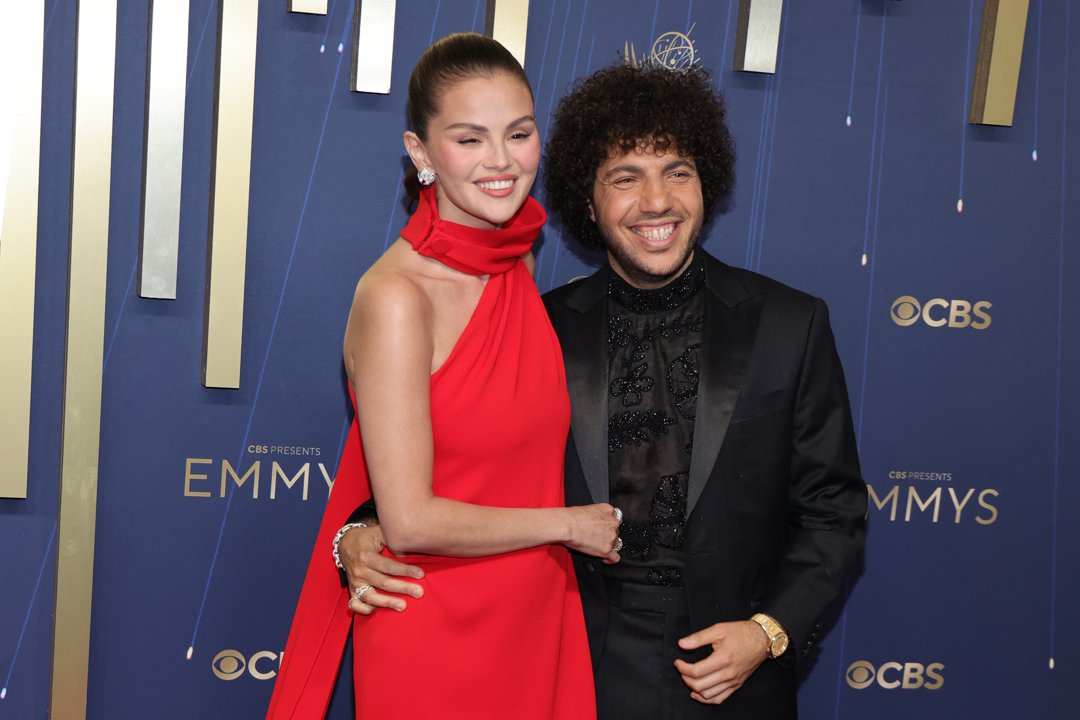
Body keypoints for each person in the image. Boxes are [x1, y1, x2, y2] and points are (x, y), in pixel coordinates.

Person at [337, 62, 867, 719]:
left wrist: (768, 632)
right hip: (568, 661)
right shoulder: (538, 322)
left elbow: (835, 509)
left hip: (734, 675)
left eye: (678, 170)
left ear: (707, 183)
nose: (657, 201)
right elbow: (458, 453)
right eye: (626, 177)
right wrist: (362, 529)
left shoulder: (790, 323)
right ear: (588, 203)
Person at [266, 33, 621, 720]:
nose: (501, 161)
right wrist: (569, 527)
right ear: (421, 153)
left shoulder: (510, 263)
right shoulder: (397, 297)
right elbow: (410, 519)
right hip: (436, 630)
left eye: (518, 133)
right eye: (469, 139)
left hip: (536, 616)